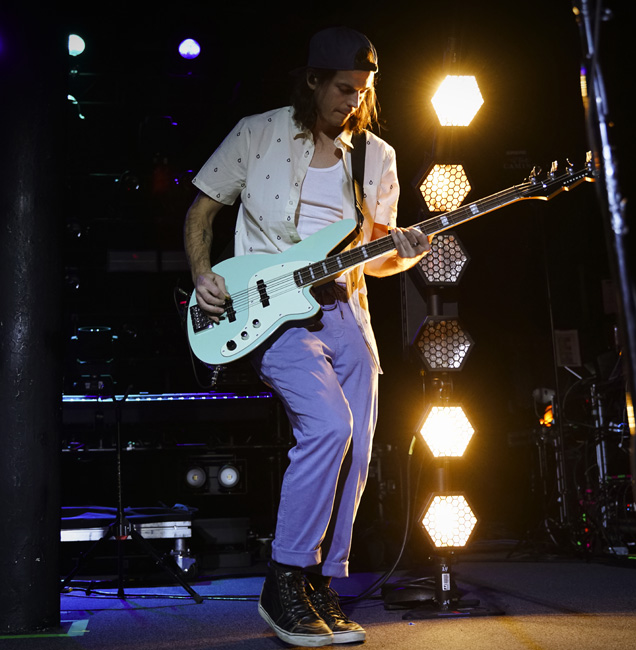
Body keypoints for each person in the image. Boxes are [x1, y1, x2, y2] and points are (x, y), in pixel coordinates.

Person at [184, 26, 429, 646]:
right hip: (273, 311)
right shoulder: (257, 132)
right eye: (344, 88)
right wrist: (202, 276)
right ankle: (284, 577)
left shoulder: (377, 156)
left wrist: (404, 253)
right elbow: (202, 210)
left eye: (364, 91)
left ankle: (320, 581)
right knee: (329, 427)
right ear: (314, 80)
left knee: (361, 448)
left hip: (347, 310)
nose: (355, 101)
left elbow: (375, 254)